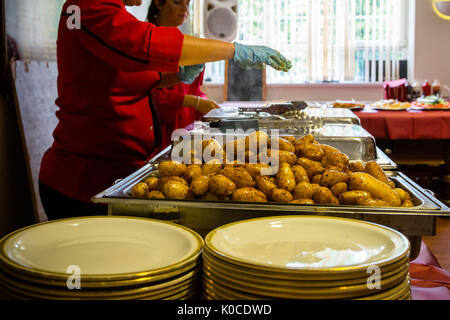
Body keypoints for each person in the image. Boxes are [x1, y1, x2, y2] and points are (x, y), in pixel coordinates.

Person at [38, 0, 292, 220]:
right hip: (83, 181)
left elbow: (129, 79)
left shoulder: (114, 12)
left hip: (121, 172)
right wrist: (232, 50)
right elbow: (143, 44)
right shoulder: (86, 7)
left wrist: (174, 76)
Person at [147, 0, 217, 150]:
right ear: (159, 3)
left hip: (186, 131)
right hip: (159, 133)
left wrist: (205, 104)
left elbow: (195, 88)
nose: (185, 9)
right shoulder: (146, 43)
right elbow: (146, 93)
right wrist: (191, 101)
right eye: (178, 2)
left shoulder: (188, 45)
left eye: (188, 3)